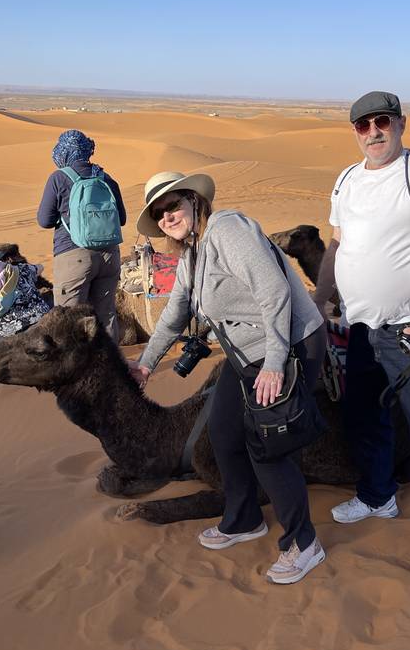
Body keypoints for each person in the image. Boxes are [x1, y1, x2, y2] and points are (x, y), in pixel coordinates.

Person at [129, 170, 327, 585]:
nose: (168, 216)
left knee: (266, 447)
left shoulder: (227, 230)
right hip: (244, 356)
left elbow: (274, 290)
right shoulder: (192, 255)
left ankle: (304, 543)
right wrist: (145, 363)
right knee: (221, 431)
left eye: (173, 204)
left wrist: (274, 362)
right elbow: (174, 314)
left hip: (288, 346)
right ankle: (243, 520)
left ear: (194, 201)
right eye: (159, 212)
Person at [313, 91, 410, 583]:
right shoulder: (346, 180)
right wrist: (322, 297)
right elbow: (336, 243)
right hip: (360, 327)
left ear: (401, 123)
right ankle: (377, 496)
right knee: (364, 418)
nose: (373, 132)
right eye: (363, 125)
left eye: (382, 122)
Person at [37, 130, 126, 340]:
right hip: (109, 256)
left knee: (68, 320)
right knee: (106, 315)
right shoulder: (106, 178)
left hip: (73, 255)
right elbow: (121, 219)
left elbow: (44, 220)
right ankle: (110, 368)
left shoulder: (58, 178)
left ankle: (72, 371)